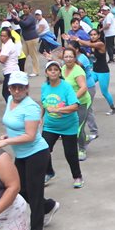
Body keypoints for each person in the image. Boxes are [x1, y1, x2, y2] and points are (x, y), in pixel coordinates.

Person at [0, 72, 59, 230]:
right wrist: (6, 135)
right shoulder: (10, 101)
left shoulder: (31, 107)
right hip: (21, 154)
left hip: (36, 154)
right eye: (13, 87)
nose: (17, 91)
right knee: (21, 190)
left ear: (27, 89)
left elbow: (30, 135)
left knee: (34, 191)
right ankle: (49, 206)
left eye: (20, 87)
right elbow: (14, 124)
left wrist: (7, 142)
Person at [39, 59, 84, 189]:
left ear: (60, 72)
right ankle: (49, 172)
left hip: (68, 125)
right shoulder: (44, 86)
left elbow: (75, 106)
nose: (53, 72)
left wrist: (58, 109)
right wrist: (40, 117)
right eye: (50, 70)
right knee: (43, 150)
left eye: (56, 70)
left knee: (70, 153)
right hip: (50, 125)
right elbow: (44, 102)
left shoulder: (66, 86)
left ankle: (77, 176)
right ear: (46, 73)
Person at [61, 46, 94, 161]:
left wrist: (72, 99)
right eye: (66, 57)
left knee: (77, 127)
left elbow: (83, 87)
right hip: (69, 103)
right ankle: (85, 139)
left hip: (82, 102)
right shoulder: (63, 68)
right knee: (73, 126)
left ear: (75, 58)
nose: (68, 59)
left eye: (71, 56)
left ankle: (82, 149)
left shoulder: (78, 70)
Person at [85, 28, 115, 115]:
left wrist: (77, 39)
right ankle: (87, 106)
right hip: (94, 71)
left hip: (103, 72)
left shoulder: (100, 44)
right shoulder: (92, 44)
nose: (93, 36)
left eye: (95, 34)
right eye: (91, 35)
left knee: (104, 92)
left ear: (99, 36)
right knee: (86, 86)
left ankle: (112, 108)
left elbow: (86, 43)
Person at [0, 27, 23, 100]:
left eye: (4, 36)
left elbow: (2, 60)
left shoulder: (8, 45)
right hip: (10, 71)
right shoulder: (6, 44)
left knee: (6, 93)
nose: (2, 38)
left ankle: (12, 108)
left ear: (9, 36)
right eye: (1, 35)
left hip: (10, 71)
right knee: (11, 92)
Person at [19, 7, 41, 76]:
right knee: (22, 55)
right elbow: (16, 21)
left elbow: (26, 24)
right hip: (25, 39)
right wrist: (14, 15)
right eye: (23, 8)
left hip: (32, 39)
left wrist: (19, 19)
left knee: (33, 55)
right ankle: (22, 71)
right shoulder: (23, 16)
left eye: (26, 8)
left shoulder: (31, 17)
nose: (24, 9)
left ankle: (36, 71)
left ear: (30, 9)